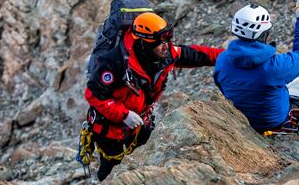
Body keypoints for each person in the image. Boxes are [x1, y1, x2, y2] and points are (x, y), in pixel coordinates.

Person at [85, 11, 223, 181]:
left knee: (143, 163)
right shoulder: (114, 62)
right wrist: (124, 114)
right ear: (143, 43)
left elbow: (194, 55)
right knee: (109, 169)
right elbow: (94, 95)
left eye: (167, 40)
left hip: (141, 124)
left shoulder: (164, 53)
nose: (166, 45)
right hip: (111, 130)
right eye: (160, 42)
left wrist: (226, 57)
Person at [213, 1, 299, 134]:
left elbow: (223, 87)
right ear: (264, 33)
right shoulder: (274, 66)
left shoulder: (222, 59)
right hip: (272, 122)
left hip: (243, 119)